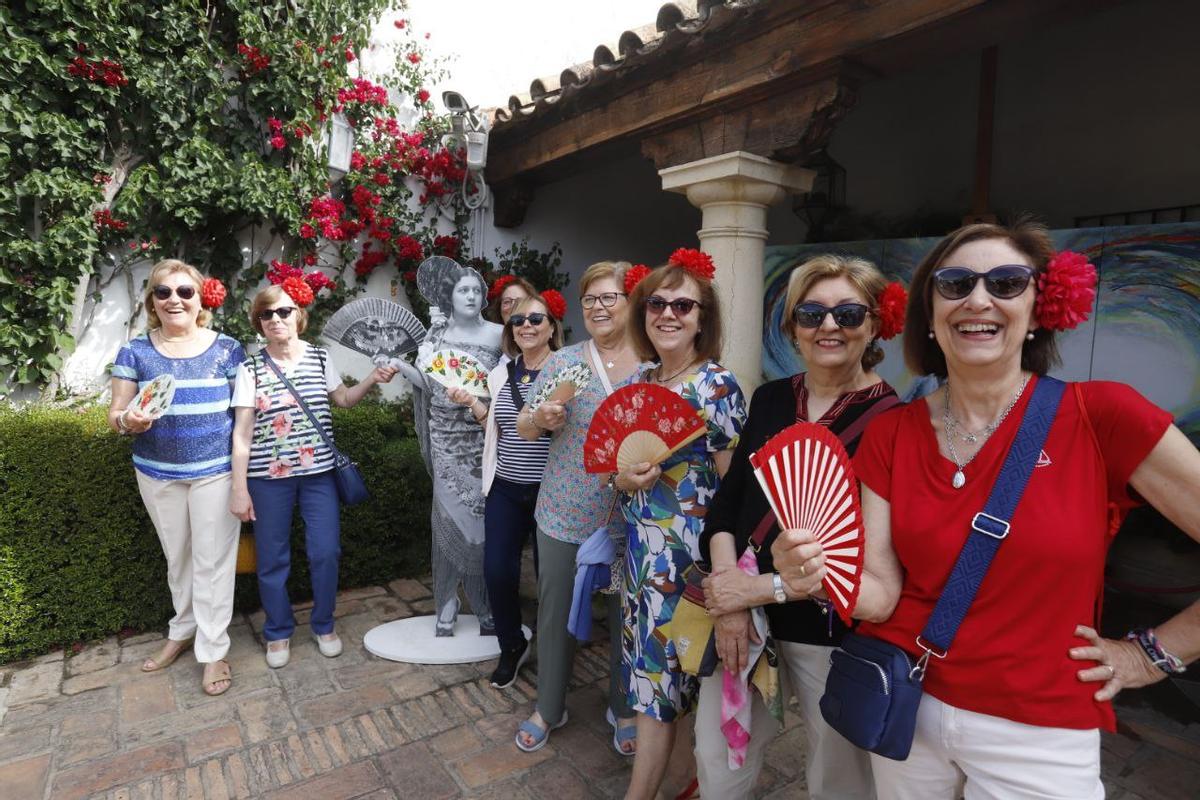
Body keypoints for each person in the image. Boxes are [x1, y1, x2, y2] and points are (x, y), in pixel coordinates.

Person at [773, 219, 1200, 799]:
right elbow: (882, 594)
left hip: (1039, 729)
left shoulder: (1103, 416)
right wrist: (817, 573)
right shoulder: (892, 433)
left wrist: (1150, 657)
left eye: (1005, 282)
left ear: (1038, 308)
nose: (978, 299)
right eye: (955, 283)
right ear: (931, 315)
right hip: (907, 707)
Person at [694, 254, 900, 799]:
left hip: (831, 632)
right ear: (793, 327)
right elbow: (728, 506)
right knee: (718, 761)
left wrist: (756, 589)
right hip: (744, 619)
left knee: (839, 778)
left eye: (848, 314)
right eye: (811, 314)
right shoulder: (771, 399)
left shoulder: (894, 424)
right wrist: (729, 596)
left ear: (873, 325)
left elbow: (874, 560)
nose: (829, 326)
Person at [613, 250, 747, 800]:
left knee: (659, 688)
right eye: (657, 303)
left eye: (683, 305)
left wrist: (729, 577)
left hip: (688, 564)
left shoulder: (716, 386)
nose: (668, 314)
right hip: (640, 558)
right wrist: (624, 479)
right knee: (665, 680)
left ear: (701, 318)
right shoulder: (639, 379)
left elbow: (735, 490)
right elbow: (615, 468)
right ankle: (689, 779)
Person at [229, 285, 397, 668]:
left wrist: (372, 378)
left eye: (283, 311)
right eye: (267, 314)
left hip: (319, 475)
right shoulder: (250, 369)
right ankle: (278, 631)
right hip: (267, 479)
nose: (276, 319)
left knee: (326, 552)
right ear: (259, 322)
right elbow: (242, 433)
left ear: (298, 315)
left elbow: (344, 400)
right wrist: (239, 488)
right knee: (272, 558)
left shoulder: (321, 358)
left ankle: (324, 624)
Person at [513, 261, 641, 754]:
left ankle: (624, 707)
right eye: (590, 299)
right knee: (555, 612)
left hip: (632, 515)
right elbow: (523, 426)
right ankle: (549, 706)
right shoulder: (565, 360)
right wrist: (541, 419)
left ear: (631, 301)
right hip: (564, 509)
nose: (598, 307)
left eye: (609, 297)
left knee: (627, 614)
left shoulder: (653, 363)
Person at [108, 259, 245, 696]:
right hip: (157, 472)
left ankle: (213, 650)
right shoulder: (135, 351)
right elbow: (116, 413)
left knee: (212, 562)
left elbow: (244, 418)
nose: (174, 300)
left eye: (185, 291)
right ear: (152, 301)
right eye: (163, 292)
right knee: (178, 557)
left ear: (200, 299)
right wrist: (128, 421)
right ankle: (182, 630)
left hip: (215, 473)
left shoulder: (228, 349)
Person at [448, 290, 565, 688]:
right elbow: (496, 429)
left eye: (535, 319)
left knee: (551, 579)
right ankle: (512, 644)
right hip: (506, 488)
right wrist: (473, 404)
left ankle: (555, 651)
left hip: (551, 491)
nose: (525, 326)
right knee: (497, 571)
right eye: (517, 320)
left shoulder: (566, 371)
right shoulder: (500, 374)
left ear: (552, 326)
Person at [397, 259, 503, 635]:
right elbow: (427, 381)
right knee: (447, 517)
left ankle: (483, 601)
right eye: (463, 290)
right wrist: (397, 365)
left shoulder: (499, 334)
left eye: (476, 290)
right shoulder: (435, 337)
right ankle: (446, 601)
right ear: (450, 297)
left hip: (482, 436)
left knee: (482, 522)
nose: (471, 296)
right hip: (445, 439)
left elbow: (508, 384)